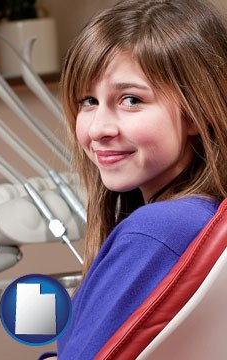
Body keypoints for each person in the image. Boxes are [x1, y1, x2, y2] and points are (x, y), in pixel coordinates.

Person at [40, 0, 227, 358]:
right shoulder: (200, 216)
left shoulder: (156, 230)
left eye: (130, 100)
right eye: (89, 101)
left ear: (196, 113)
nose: (98, 129)